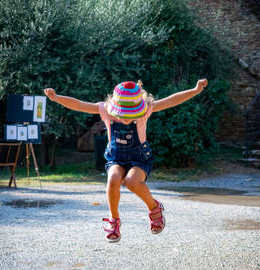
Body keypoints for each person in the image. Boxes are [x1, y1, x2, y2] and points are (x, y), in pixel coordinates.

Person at [44, 78, 208, 242]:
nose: (126, 118)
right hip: (116, 157)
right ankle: (114, 220)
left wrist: (194, 90)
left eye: (131, 115)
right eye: (123, 114)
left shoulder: (146, 110)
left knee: (131, 181)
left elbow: (171, 100)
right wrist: (57, 97)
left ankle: (154, 208)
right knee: (113, 178)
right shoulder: (105, 109)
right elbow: (80, 105)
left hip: (140, 158)